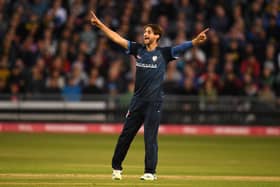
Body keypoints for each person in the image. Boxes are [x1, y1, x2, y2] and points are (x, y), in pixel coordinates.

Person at [90, 11, 209, 181]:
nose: (145, 34)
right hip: (137, 102)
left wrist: (195, 41)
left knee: (150, 137)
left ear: (157, 36)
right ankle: (116, 168)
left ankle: (150, 172)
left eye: (149, 32)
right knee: (126, 135)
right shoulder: (137, 49)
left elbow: (181, 47)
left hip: (154, 103)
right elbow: (117, 38)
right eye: (144, 32)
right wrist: (100, 25)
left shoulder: (164, 53)